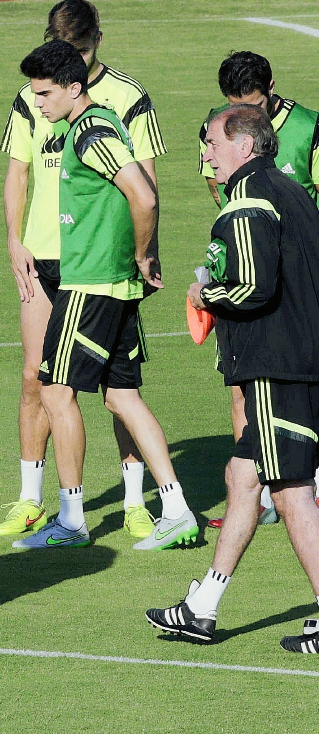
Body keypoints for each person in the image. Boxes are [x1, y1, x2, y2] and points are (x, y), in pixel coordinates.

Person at [12, 40, 198, 551]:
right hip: (114, 285)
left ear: (75, 88)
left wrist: (141, 254)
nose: (39, 103)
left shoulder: (91, 130)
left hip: (92, 283)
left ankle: (72, 519)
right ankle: (177, 508)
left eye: (46, 94)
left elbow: (143, 194)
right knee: (121, 396)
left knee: (55, 390)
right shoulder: (93, 124)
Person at [147, 105, 319, 649]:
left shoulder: (245, 204)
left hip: (275, 367)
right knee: (242, 477)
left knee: (291, 491)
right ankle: (202, 607)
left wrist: (204, 294)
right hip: (302, 359)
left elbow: (251, 287)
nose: (205, 156)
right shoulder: (296, 195)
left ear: (244, 146)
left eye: (212, 144)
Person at [197, 52, 319, 529]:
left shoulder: (308, 127)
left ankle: (292, 489)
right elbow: (218, 188)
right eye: (236, 102)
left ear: (271, 86)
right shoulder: (219, 130)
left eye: (254, 101)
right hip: (253, 261)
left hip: (297, 280)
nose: (250, 109)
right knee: (241, 385)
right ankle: (262, 494)